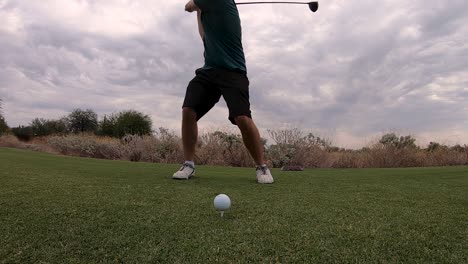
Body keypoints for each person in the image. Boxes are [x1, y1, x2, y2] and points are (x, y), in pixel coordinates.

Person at [173, 0, 274, 184]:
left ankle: (262, 167)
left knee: (242, 118)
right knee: (189, 109)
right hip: (209, 71)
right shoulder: (213, 7)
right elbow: (204, 35)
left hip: (233, 72)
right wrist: (200, 12)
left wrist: (196, 7)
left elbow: (187, 6)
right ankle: (188, 164)